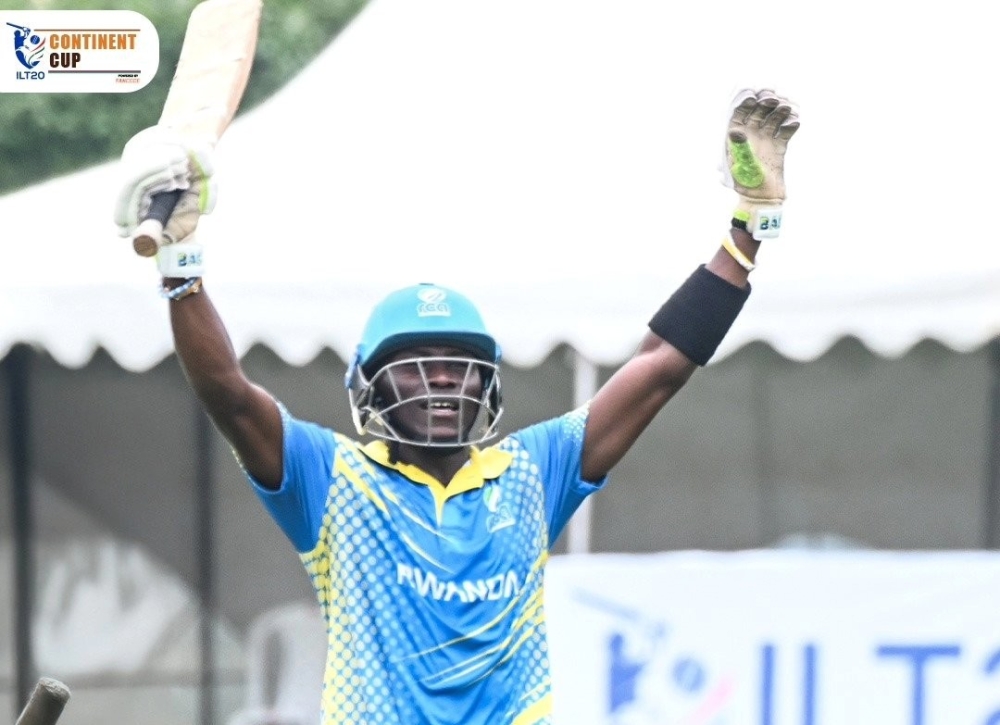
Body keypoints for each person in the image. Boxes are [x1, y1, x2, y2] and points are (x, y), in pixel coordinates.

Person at [112, 88, 799, 725]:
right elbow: (229, 393)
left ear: (487, 385)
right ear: (371, 389)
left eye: (460, 368)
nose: (443, 385)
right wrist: (181, 267)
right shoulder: (333, 480)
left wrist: (747, 230)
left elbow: (658, 367)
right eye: (418, 369)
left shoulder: (532, 470)